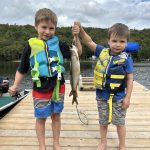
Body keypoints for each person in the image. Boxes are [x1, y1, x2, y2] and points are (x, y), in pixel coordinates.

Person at [8, 8, 82, 150]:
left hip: (58, 86)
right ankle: (42, 146)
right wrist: (15, 85)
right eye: (43, 27)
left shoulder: (59, 44)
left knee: (56, 115)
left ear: (55, 28)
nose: (47, 31)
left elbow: (77, 52)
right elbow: (22, 69)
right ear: (36, 26)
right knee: (41, 118)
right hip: (40, 87)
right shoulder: (30, 46)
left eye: (51, 28)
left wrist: (77, 37)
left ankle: (56, 143)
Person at [73, 22, 133, 150]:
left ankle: (122, 145)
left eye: (122, 41)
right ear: (108, 41)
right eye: (114, 41)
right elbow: (89, 42)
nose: (117, 44)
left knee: (120, 123)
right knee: (103, 121)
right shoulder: (102, 51)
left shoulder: (127, 59)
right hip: (102, 96)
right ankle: (103, 142)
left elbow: (130, 79)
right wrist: (81, 30)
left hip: (119, 96)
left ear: (126, 43)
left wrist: (128, 97)